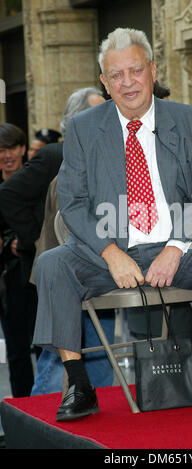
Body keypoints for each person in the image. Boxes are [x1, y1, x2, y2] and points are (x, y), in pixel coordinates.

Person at [32, 27, 192, 421]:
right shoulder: (84, 129)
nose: (127, 82)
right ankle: (80, 385)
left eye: (135, 70)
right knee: (52, 263)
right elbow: (72, 201)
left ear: (153, 70)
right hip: (109, 250)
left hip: (180, 246)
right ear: (104, 82)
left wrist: (176, 247)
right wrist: (110, 252)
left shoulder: (190, 121)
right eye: (116, 75)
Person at [29, 87, 115, 395]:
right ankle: (34, 434)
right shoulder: (70, 173)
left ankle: (102, 431)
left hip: (100, 281)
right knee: (57, 362)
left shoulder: (100, 166)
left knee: (103, 358)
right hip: (69, 281)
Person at [0, 123, 38, 397]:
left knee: (49, 347)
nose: (7, 155)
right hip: (8, 279)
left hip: (38, 276)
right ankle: (23, 411)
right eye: (1, 150)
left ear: (23, 149)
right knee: (17, 351)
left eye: (12, 148)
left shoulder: (37, 182)